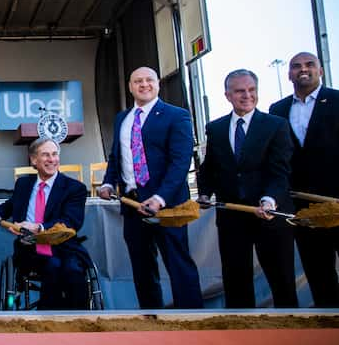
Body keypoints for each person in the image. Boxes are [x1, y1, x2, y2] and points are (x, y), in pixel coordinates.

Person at [97, 66, 203, 309]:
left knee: (179, 265)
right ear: (130, 86)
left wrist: (160, 198)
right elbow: (117, 156)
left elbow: (180, 163)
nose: (143, 85)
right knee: (142, 268)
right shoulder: (122, 118)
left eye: (148, 80)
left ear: (158, 84)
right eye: (137, 81)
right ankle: (151, 318)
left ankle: (193, 319)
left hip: (167, 208)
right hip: (132, 205)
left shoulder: (177, 116)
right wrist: (107, 182)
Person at [198, 69, 297, 308]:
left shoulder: (276, 125)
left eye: (252, 90)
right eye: (240, 91)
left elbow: (280, 171)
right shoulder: (216, 128)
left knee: (282, 281)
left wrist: (269, 199)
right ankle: (241, 336)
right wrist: (204, 192)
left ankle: (291, 333)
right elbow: (210, 167)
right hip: (232, 218)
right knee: (236, 282)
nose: (247, 95)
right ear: (227, 95)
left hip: (270, 216)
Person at [0, 138, 90, 310]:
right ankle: (47, 320)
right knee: (51, 266)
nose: (51, 159)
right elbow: (11, 204)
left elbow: (71, 221)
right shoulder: (23, 184)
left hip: (64, 247)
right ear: (33, 160)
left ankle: (78, 321)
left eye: (54, 154)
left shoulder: (74, 188)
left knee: (73, 271)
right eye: (45, 155)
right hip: (30, 248)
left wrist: (39, 227)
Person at [269, 53, 338, 307]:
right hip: (302, 207)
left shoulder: (337, 100)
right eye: (296, 67)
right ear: (289, 74)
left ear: (320, 70)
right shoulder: (278, 110)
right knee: (318, 271)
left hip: (336, 202)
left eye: (309, 65)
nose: (303, 70)